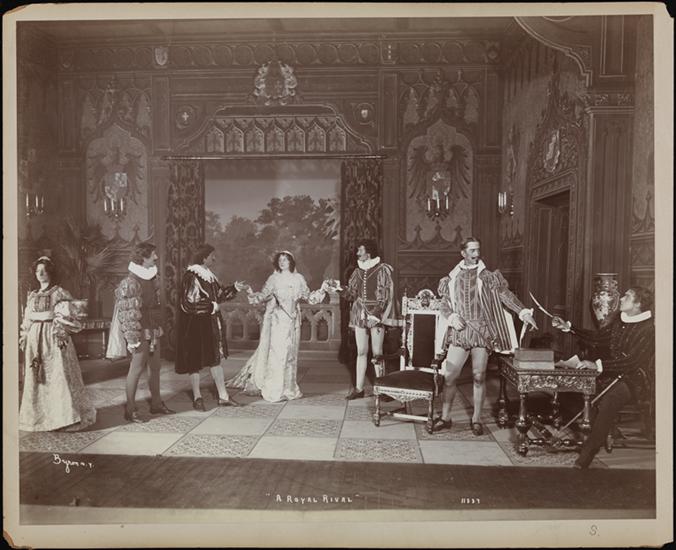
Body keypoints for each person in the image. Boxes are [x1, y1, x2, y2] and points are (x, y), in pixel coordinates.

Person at [436, 237, 538, 435]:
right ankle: (445, 417)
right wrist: (452, 318)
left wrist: (523, 312)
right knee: (449, 377)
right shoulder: (451, 278)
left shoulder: (488, 277)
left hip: (482, 332)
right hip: (460, 332)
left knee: (478, 376)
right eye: (472, 250)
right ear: (463, 253)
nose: (476, 254)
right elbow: (444, 304)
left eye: (478, 250)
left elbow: (506, 295)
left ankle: (476, 419)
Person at [551, 286, 655, 469]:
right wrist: (569, 327)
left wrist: (597, 365)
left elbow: (632, 362)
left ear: (638, 304)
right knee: (574, 388)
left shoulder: (648, 329)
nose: (621, 299)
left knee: (610, 400)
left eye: (627, 297)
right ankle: (600, 431)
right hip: (611, 373)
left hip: (635, 380)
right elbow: (597, 337)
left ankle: (585, 457)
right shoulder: (620, 320)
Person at [227, 251, 328, 403]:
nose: (282, 262)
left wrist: (323, 289)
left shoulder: (299, 279)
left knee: (290, 356)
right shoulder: (273, 279)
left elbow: (310, 298)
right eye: (280, 260)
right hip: (278, 321)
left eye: (285, 260)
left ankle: (289, 389)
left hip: (293, 322)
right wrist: (249, 290)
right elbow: (261, 297)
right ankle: (274, 390)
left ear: (291, 262)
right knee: (278, 355)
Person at [19, 256, 97, 431]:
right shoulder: (32, 295)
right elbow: (27, 318)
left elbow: (70, 313)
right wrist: (24, 336)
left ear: (50, 272)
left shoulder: (59, 293)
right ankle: (40, 417)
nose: (40, 274)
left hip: (54, 337)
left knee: (58, 375)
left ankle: (63, 418)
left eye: (44, 271)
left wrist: (60, 331)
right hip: (34, 339)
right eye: (38, 271)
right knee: (37, 377)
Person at [175, 244, 247, 411]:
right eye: (212, 255)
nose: (214, 258)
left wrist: (234, 288)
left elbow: (219, 296)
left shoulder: (208, 275)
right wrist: (211, 306)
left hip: (210, 324)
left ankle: (223, 397)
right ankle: (197, 397)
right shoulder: (191, 276)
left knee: (215, 360)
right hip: (195, 326)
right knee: (195, 362)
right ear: (204, 257)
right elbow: (188, 303)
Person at [113, 243, 174, 423]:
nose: (156, 257)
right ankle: (130, 409)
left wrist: (158, 326)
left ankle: (156, 404)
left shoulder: (152, 277)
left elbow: (155, 306)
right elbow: (127, 314)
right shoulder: (130, 282)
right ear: (143, 257)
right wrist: (132, 338)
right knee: (136, 368)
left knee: (155, 367)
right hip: (138, 329)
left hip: (153, 328)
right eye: (153, 254)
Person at [341, 239, 395, 400]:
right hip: (359, 313)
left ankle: (382, 389)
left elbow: (385, 295)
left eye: (361, 250)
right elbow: (351, 294)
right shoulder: (357, 272)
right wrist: (338, 289)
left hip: (376, 314)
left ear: (369, 252)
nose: (358, 253)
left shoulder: (382, 270)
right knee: (361, 351)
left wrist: (376, 315)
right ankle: (359, 389)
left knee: (377, 352)